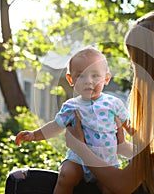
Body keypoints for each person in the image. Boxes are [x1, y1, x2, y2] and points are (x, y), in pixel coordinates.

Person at [65, 10, 154, 194]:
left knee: (26, 180)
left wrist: (80, 146)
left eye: (135, 64)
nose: (135, 74)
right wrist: (121, 144)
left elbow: (122, 186)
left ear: (150, 68)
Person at [15, 47, 132, 194]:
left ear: (106, 78)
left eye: (95, 75)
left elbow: (128, 124)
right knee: (66, 176)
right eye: (81, 76)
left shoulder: (114, 103)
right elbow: (55, 126)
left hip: (106, 162)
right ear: (71, 79)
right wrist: (34, 135)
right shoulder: (71, 106)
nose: (88, 81)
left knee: (110, 189)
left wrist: (142, 137)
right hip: (78, 161)